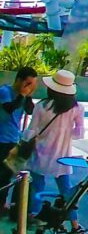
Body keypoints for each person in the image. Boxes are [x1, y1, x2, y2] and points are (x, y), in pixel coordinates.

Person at [24, 70, 85, 233]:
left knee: (37, 188)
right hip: (62, 157)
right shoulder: (77, 108)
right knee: (67, 192)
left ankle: (36, 219)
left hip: (40, 155)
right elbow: (79, 134)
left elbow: (31, 131)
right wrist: (64, 133)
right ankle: (75, 225)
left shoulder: (41, 106)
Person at [0, 67, 36, 213]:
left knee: (7, 174)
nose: (29, 87)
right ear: (19, 80)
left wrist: (27, 95)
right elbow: (9, 108)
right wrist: (22, 94)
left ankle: (2, 205)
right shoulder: (4, 91)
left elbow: (30, 110)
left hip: (13, 139)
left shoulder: (24, 95)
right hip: (1, 139)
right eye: (27, 83)